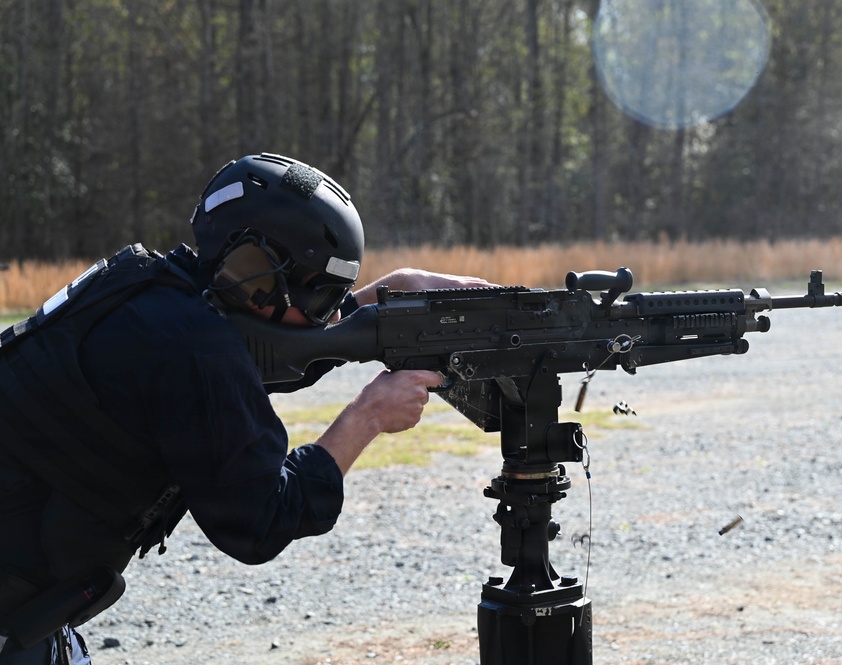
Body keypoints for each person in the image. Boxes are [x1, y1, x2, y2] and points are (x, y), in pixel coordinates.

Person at [0, 152, 493, 663]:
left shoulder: (156, 293)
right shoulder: (195, 348)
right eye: (323, 297)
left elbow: (266, 355)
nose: (328, 317)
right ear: (254, 271)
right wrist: (367, 415)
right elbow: (260, 520)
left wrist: (391, 294)